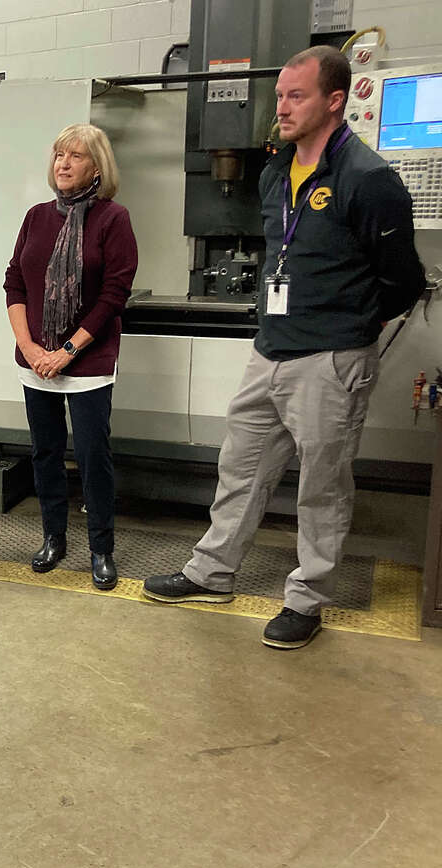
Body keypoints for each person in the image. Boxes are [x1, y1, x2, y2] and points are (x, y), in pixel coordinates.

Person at [143, 45, 426, 649]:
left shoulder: (370, 181)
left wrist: (353, 326)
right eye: (279, 96)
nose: (283, 106)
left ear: (334, 100)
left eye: (296, 95)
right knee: (240, 468)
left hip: (330, 360)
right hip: (269, 351)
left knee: (322, 484)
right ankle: (212, 571)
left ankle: (307, 598)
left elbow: (402, 281)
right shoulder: (276, 173)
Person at [3, 124, 138, 591]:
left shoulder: (113, 219)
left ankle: (101, 549)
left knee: (92, 455)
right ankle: (53, 538)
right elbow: (14, 283)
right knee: (44, 452)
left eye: (75, 156)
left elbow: (113, 296)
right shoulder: (36, 217)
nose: (62, 163)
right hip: (36, 358)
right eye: (59, 154)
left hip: (88, 361)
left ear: (96, 167)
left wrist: (66, 351)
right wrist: (30, 348)